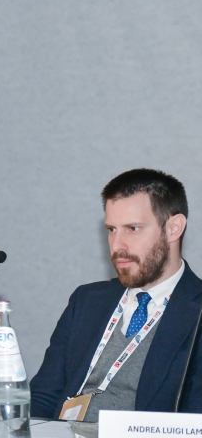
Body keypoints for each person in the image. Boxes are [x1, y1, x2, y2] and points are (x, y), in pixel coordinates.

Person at [30, 169, 202, 419]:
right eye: (111, 229)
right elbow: (44, 397)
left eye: (133, 228)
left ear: (173, 228)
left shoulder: (196, 310)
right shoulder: (87, 301)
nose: (117, 245)